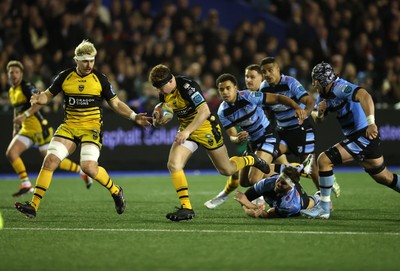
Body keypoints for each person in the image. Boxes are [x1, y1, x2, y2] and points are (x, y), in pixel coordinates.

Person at [15, 40, 152, 218]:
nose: (89, 64)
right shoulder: (65, 76)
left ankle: (116, 191)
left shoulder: (100, 79)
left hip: (91, 128)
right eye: (85, 61)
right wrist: (39, 99)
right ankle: (33, 206)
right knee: (49, 160)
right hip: (69, 127)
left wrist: (134, 116)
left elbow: (116, 103)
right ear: (76, 60)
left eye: (92, 60)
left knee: (88, 167)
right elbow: (48, 96)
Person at [149, 64, 272, 222]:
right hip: (188, 130)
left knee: (226, 170)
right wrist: (156, 122)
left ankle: (252, 159)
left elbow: (204, 111)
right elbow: (167, 115)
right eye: (156, 87)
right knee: (173, 164)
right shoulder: (164, 94)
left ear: (171, 80)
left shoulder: (188, 87)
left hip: (206, 128)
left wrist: (186, 131)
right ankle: (186, 207)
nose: (159, 91)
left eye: (160, 86)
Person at [301, 62, 400, 219]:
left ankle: (324, 207)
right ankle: (324, 207)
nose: (314, 84)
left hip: (364, 134)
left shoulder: (340, 87)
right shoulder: (324, 96)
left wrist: (371, 122)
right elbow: (320, 121)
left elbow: (364, 95)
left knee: (324, 160)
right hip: (358, 136)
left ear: (321, 81)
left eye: (315, 81)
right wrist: (320, 113)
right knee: (384, 177)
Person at [204, 67, 312, 209]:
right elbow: (232, 135)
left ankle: (265, 198)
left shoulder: (249, 96)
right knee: (244, 182)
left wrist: (297, 107)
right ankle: (299, 169)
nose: (224, 92)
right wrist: (237, 139)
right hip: (252, 143)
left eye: (228, 88)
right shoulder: (223, 111)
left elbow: (278, 98)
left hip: (267, 137)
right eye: (221, 89)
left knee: (255, 178)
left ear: (235, 88)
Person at [6, 60, 93, 198]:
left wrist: (26, 115)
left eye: (17, 72)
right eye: (11, 72)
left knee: (53, 160)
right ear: (8, 75)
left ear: (21, 74)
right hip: (26, 130)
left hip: (40, 128)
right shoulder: (12, 90)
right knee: (11, 153)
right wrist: (15, 128)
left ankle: (81, 171)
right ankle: (26, 184)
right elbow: (17, 111)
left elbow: (40, 103)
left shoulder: (27, 87)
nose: (14, 75)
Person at [259, 57, 341, 197]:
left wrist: (305, 113)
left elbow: (309, 101)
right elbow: (267, 111)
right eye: (264, 72)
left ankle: (325, 199)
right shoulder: (264, 87)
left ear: (278, 69)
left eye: (270, 70)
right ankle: (270, 195)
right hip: (283, 132)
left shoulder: (290, 83)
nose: (267, 74)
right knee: (269, 158)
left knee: (311, 169)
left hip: (302, 130)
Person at [234, 166, 320, 218]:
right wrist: (247, 205)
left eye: (283, 183)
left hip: (300, 203)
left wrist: (248, 206)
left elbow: (268, 215)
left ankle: (320, 197)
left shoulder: (289, 205)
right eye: (279, 180)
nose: (278, 184)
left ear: (290, 186)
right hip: (285, 189)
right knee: (256, 175)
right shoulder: (269, 182)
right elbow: (244, 197)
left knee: (310, 202)